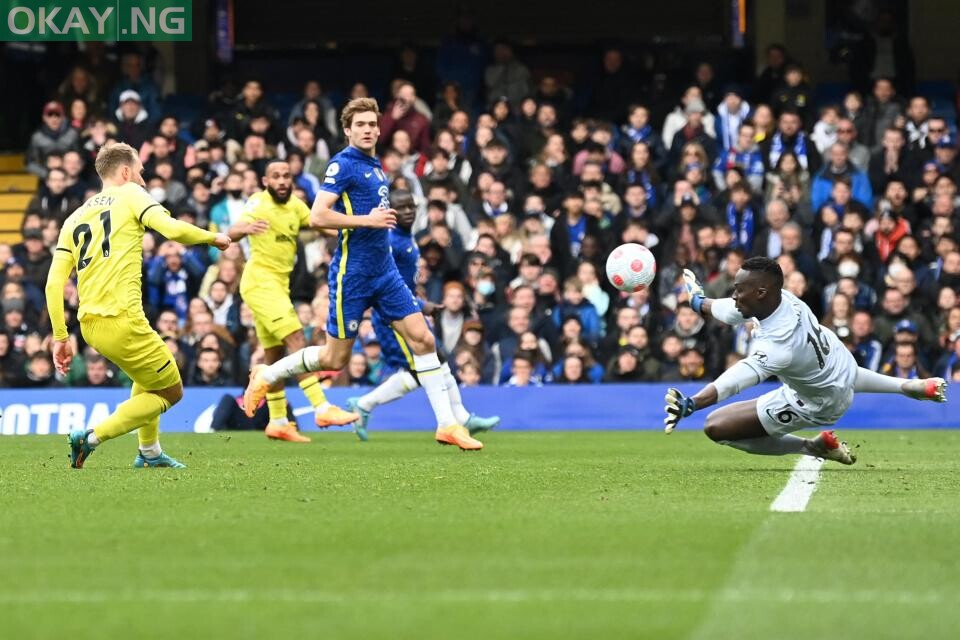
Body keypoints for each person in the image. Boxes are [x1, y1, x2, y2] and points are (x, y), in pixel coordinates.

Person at [242, 98, 485, 451]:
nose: (368, 129)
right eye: (361, 125)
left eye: (373, 124)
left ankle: (448, 424)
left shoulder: (375, 165)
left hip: (384, 272)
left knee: (424, 340)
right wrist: (366, 221)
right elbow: (318, 216)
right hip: (352, 273)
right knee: (334, 359)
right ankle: (267, 374)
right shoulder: (342, 165)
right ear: (347, 130)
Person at [45, 142, 231, 469]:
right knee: (171, 392)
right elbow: (171, 229)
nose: (144, 181)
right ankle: (89, 437)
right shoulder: (131, 194)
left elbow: (53, 284)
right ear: (127, 172)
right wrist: (213, 238)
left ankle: (149, 452)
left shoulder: (74, 217)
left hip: (90, 326)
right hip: (123, 319)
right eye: (142, 173)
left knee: (145, 377)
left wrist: (61, 337)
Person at [662, 257, 947, 465]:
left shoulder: (777, 346)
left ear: (760, 292)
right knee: (843, 376)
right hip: (838, 362)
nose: (734, 293)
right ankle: (908, 386)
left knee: (716, 427)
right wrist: (698, 301)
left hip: (818, 402)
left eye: (739, 288)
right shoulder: (781, 297)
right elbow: (731, 309)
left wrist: (693, 404)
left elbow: (736, 379)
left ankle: (811, 447)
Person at [344, 190, 499, 441]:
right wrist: (420, 304)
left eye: (411, 207)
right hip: (391, 319)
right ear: (389, 211)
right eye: (400, 207)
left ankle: (365, 405)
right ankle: (456, 420)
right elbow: (384, 286)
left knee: (432, 362)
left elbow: (403, 285)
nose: (407, 212)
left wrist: (421, 304)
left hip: (407, 311)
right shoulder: (389, 243)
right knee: (425, 368)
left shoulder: (409, 238)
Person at [228, 160, 358, 443]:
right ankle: (321, 407)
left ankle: (277, 421)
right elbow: (234, 230)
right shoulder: (258, 203)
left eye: (286, 175)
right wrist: (246, 230)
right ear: (266, 181)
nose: (282, 180)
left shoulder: (296, 206)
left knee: (274, 355)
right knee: (297, 339)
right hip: (261, 284)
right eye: (276, 176)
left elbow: (319, 222)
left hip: (277, 287)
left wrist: (354, 230)